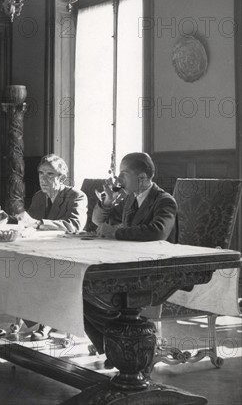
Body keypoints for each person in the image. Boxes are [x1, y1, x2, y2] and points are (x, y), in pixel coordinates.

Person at [84, 151, 178, 364]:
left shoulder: (164, 200)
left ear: (143, 178)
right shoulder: (129, 200)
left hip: (153, 271)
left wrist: (115, 232)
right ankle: (114, 349)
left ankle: (124, 350)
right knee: (80, 292)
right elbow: (98, 222)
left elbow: (157, 232)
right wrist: (107, 202)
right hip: (127, 266)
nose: (118, 180)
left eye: (124, 175)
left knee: (90, 294)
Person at [11, 154, 88, 341]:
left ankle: (46, 324)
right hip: (42, 249)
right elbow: (30, 223)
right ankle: (29, 319)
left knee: (44, 272)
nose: (43, 179)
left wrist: (38, 224)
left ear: (62, 177)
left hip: (68, 253)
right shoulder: (39, 197)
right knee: (19, 268)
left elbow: (74, 225)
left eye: (50, 174)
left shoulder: (76, 196)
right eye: (41, 173)